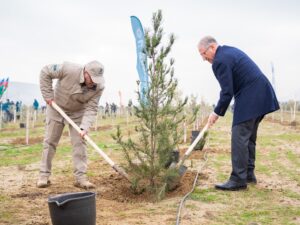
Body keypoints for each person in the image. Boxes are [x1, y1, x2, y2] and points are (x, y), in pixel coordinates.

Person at [198, 36, 279, 191]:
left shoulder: (220, 61)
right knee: (248, 138)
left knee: (239, 135)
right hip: (261, 92)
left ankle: (238, 179)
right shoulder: (228, 52)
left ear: (212, 47)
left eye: (203, 54)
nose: (203, 59)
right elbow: (232, 88)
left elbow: (227, 92)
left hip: (252, 94)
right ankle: (248, 175)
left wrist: (216, 113)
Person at [37, 61, 105, 189]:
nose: (93, 82)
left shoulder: (99, 87)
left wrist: (84, 127)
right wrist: (48, 95)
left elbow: (91, 108)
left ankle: (81, 178)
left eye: (97, 80)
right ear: (86, 72)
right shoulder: (68, 69)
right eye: (92, 78)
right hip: (56, 107)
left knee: (80, 143)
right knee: (50, 141)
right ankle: (43, 175)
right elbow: (45, 72)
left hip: (78, 113)